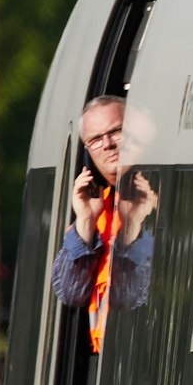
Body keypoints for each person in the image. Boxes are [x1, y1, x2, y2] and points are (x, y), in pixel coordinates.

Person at [50, 95, 159, 353]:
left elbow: (133, 296)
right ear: (87, 151)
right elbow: (70, 292)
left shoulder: (158, 200)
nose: (108, 144)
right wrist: (85, 221)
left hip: (150, 357)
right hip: (109, 362)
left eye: (117, 132)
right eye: (95, 140)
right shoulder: (98, 206)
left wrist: (133, 226)